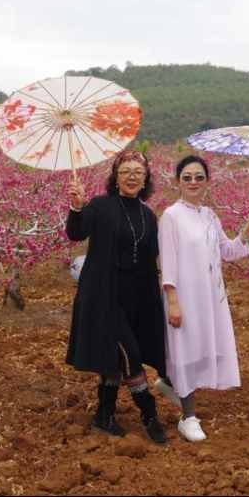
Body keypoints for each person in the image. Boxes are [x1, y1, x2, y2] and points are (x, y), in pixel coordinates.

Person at [65, 150, 167, 444]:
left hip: (135, 299)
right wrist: (76, 206)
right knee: (130, 354)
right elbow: (76, 233)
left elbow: (152, 256)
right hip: (103, 297)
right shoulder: (99, 206)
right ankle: (149, 414)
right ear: (116, 177)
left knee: (115, 359)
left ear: (145, 178)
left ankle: (104, 415)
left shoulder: (148, 215)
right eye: (126, 172)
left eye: (138, 172)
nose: (132, 176)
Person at [155, 155, 249, 442]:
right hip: (185, 294)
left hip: (210, 296)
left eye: (199, 177)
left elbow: (227, 251)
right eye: (187, 177)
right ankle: (188, 417)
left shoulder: (210, 215)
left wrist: (248, 227)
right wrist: (172, 299)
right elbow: (169, 262)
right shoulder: (171, 216)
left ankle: (169, 382)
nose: (193, 182)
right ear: (177, 182)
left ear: (207, 182)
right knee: (185, 348)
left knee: (200, 347)